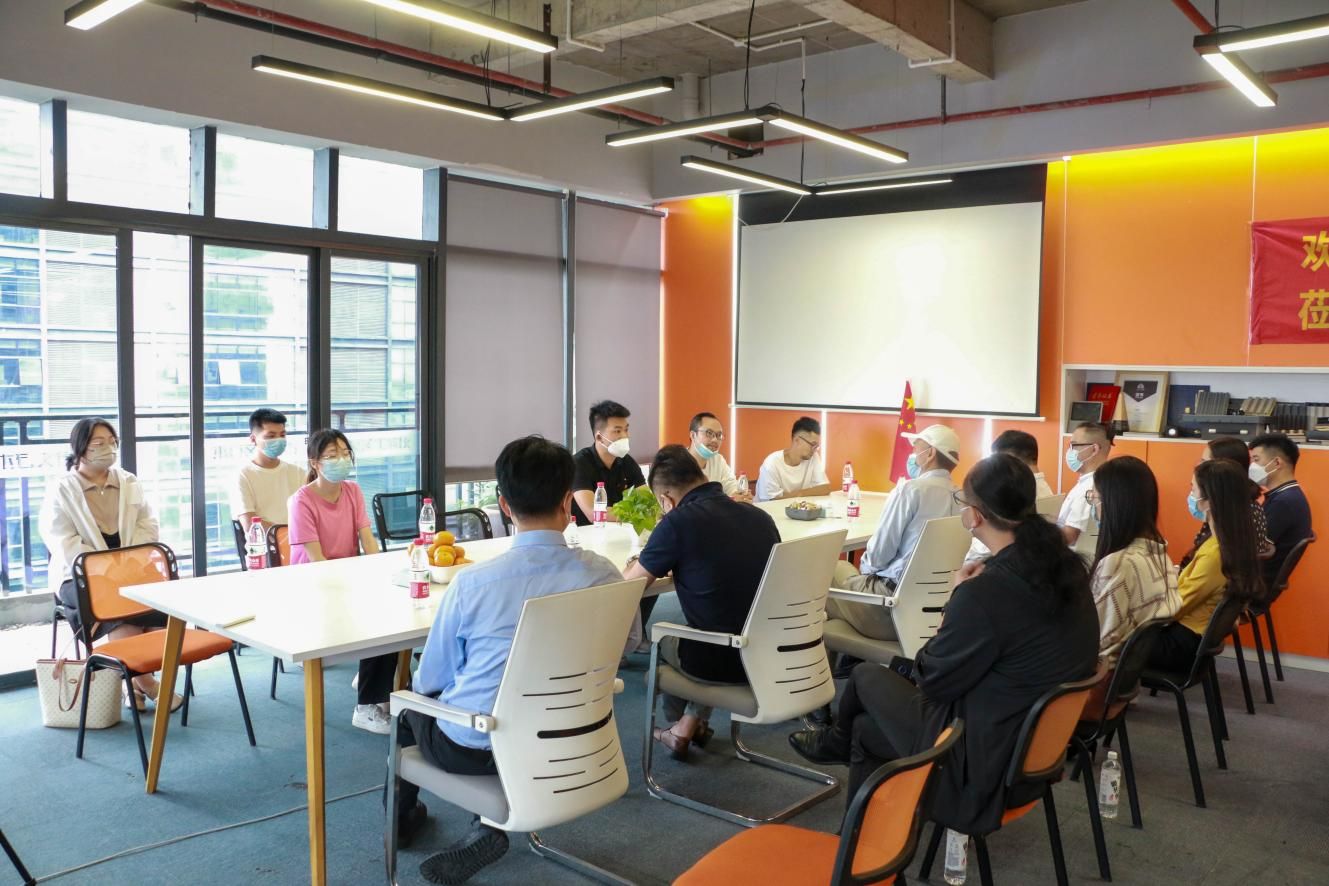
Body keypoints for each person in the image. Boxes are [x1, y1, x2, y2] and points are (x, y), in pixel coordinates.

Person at [788, 453, 1099, 835]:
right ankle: (860, 842)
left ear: (975, 516)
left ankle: (842, 767)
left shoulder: (986, 591)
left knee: (866, 676)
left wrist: (954, 601)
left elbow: (932, 679)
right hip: (1031, 755)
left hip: (979, 767)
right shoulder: (1066, 569)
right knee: (866, 730)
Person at [391, 436, 640, 884]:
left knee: (408, 709)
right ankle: (487, 822)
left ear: (504, 506)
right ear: (568, 501)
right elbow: (627, 644)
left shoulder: (473, 584)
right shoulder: (604, 574)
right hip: (577, 734)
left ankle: (403, 824)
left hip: (476, 751)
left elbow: (430, 680)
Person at [624, 445, 780, 760]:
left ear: (666, 500)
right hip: (770, 652)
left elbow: (629, 586)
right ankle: (690, 724)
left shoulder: (677, 523)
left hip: (722, 660)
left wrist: (643, 560)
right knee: (715, 623)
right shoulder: (760, 517)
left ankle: (679, 728)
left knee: (664, 639)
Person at [37, 418, 180, 712]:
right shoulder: (61, 489)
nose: (109, 448)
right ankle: (148, 683)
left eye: (112, 442)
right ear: (80, 449)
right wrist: (106, 567)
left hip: (131, 567)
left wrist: (127, 561)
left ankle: (133, 685)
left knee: (156, 601)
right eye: (99, 443)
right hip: (80, 576)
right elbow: (63, 541)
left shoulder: (128, 481)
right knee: (120, 605)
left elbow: (147, 524)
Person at [286, 429, 393, 735]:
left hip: (349, 577)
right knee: (376, 620)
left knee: (394, 612)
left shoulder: (353, 490)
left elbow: (367, 539)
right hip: (313, 583)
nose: (341, 460)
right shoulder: (301, 500)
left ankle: (376, 682)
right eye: (332, 456)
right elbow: (317, 559)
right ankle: (366, 706)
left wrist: (379, 571)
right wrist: (355, 585)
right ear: (315, 463)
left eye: (345, 454)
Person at [827, 425, 961, 642]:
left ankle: (830, 655)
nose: (912, 454)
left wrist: (866, 572)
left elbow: (879, 556)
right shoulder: (964, 498)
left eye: (916, 448)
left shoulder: (910, 490)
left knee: (832, 569)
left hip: (889, 610)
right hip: (936, 617)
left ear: (930, 454)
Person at [1147, 459, 1262, 674]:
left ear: (1209, 501)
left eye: (1193, 489)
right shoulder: (1231, 541)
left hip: (1179, 644)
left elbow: (1173, 608)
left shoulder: (1215, 554)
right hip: (1192, 637)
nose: (1190, 495)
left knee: (1110, 633)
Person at [1087, 455, 1180, 668]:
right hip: (1127, 672)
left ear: (1113, 504)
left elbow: (1095, 639)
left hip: (1100, 675)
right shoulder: (1157, 551)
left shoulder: (1120, 564)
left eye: (1095, 498)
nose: (1094, 506)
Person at [1179, 436, 1273, 568]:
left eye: (1205, 462)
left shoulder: (1230, 514)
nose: (1199, 466)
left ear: (1221, 468)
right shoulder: (1243, 503)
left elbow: (1209, 566)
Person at [964, 429, 1055, 563]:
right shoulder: (1046, 489)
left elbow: (987, 547)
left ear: (1011, 461)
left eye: (999, 462)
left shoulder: (1014, 492)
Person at [1249, 433, 1313, 592]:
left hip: (1254, 586)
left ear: (1277, 463)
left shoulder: (1285, 502)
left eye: (1256, 460)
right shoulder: (1284, 496)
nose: (1252, 466)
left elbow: (1252, 547)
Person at [570, 400, 646, 526]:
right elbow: (593, 513)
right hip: (586, 534)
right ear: (599, 437)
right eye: (617, 431)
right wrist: (636, 513)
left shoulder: (627, 462)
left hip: (619, 532)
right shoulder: (579, 464)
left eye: (626, 430)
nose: (625, 436)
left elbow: (647, 502)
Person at [232, 407, 305, 529]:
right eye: (271, 436)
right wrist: (288, 535)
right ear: (253, 439)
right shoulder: (242, 475)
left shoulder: (298, 472)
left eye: (282, 435)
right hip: (265, 541)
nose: (279, 440)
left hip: (300, 539)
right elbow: (250, 524)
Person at [1059, 422, 1112, 547]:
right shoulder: (1105, 480)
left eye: (1073, 446)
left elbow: (1069, 536)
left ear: (1094, 449)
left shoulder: (1089, 487)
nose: (1069, 452)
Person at [755, 416, 832, 502]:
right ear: (797, 440)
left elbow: (825, 488)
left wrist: (799, 494)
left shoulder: (813, 457)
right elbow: (771, 500)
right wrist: (803, 494)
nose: (815, 450)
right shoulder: (772, 463)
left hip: (797, 509)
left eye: (816, 446)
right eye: (812, 444)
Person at [687, 412, 750, 501]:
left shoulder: (718, 460)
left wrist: (742, 496)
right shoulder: (678, 463)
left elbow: (732, 487)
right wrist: (729, 501)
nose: (715, 440)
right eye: (709, 433)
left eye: (719, 435)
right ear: (693, 435)